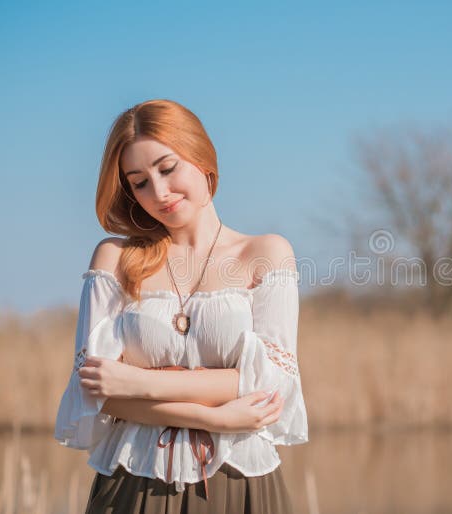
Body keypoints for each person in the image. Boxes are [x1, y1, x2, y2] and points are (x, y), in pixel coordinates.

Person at [53, 99, 308, 513]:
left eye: (167, 168)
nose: (159, 192)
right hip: (133, 484)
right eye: (139, 182)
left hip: (240, 480)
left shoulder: (266, 252)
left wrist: (137, 382)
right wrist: (218, 417)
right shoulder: (114, 258)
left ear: (202, 158)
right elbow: (95, 390)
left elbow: (271, 385)